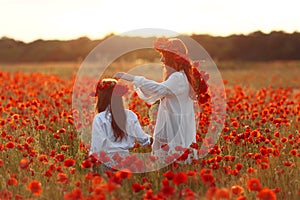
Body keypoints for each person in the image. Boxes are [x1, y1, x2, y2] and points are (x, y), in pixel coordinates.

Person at [114, 37, 200, 161]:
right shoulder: (182, 75)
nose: (161, 60)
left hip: (174, 125)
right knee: (175, 158)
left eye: (164, 56)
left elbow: (158, 89)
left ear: (172, 57)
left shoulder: (177, 77)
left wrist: (132, 78)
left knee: (174, 160)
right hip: (174, 122)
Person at [89, 78, 153, 169]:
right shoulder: (130, 115)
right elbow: (143, 139)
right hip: (126, 161)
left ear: (101, 98)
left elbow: (97, 146)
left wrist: (90, 159)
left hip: (106, 161)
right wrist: (156, 140)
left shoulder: (100, 118)